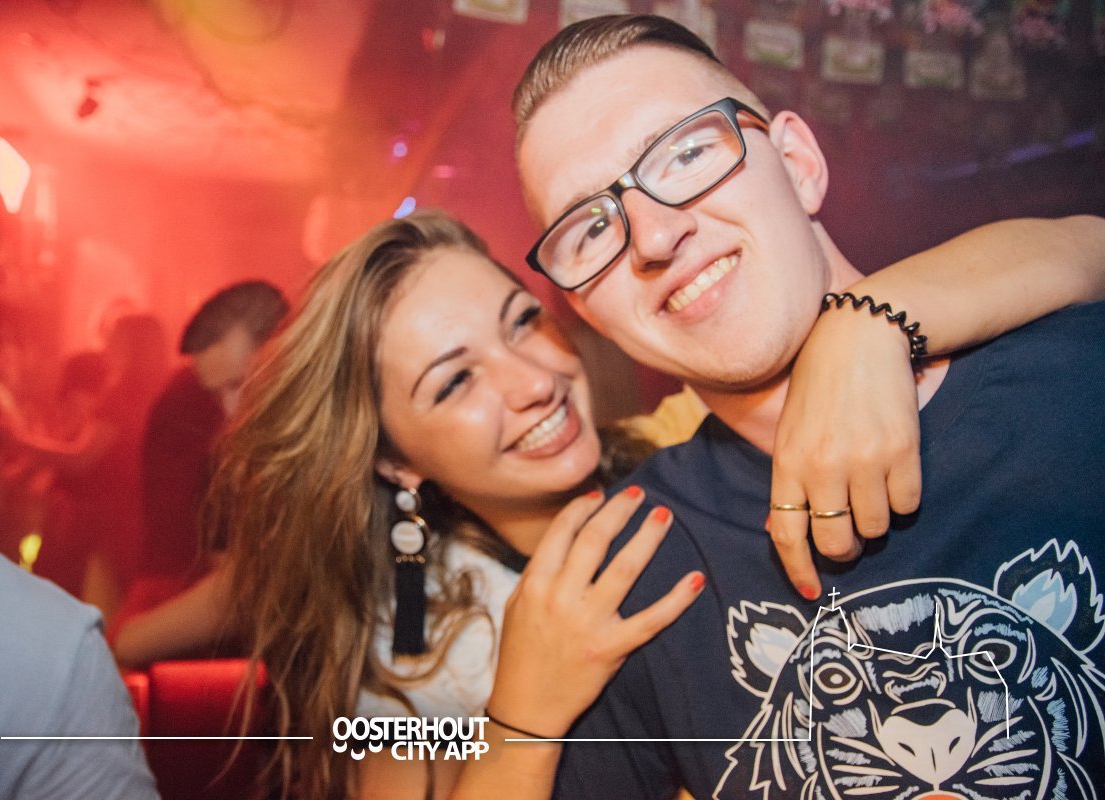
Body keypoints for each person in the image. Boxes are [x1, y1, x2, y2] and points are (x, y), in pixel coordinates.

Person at [200, 204, 1101, 800]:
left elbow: (1083, 247)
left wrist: (868, 320)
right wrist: (524, 708)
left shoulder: (677, 451)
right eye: (455, 381)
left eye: (522, 322)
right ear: (396, 462)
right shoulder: (402, 676)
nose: (533, 382)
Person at [510, 15, 1105, 798]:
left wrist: (871, 323)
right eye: (590, 229)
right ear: (587, 308)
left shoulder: (1078, 378)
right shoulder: (631, 570)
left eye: (685, 154)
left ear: (797, 165)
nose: (652, 237)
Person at [0, 169, 158, 798]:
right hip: (111, 528)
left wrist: (23, 445)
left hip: (104, 530)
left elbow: (82, 460)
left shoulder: (38, 656)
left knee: (115, 637)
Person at [131, 280, 288, 605]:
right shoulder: (226, 464)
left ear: (286, 352)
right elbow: (236, 590)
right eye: (216, 394)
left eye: (238, 384)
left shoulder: (349, 442)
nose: (229, 409)